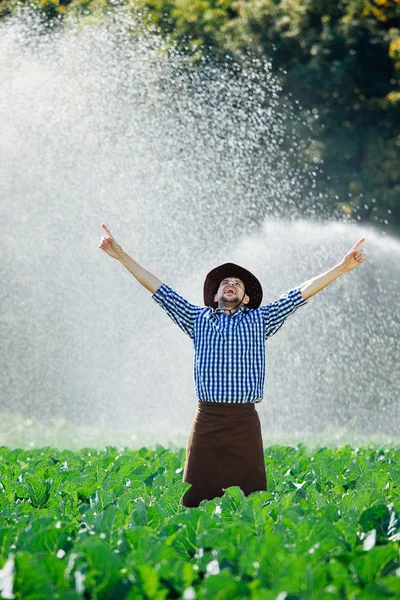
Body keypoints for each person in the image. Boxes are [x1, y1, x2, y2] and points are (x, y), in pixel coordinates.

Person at [98, 223, 366, 507]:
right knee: (193, 499)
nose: (230, 285)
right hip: (207, 420)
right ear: (215, 296)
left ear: (246, 298)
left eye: (237, 284)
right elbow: (160, 289)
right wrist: (122, 256)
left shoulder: (261, 319)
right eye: (225, 283)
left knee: (250, 502)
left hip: (244, 422)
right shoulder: (196, 318)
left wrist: (341, 267)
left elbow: (299, 294)